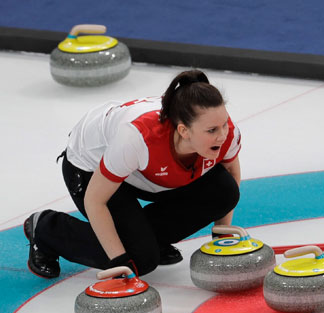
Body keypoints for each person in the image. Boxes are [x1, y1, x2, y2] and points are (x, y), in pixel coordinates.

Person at [24, 69, 242, 278]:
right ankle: (47, 229)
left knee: (223, 191)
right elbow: (95, 200)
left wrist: (222, 236)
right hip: (90, 167)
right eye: (212, 130)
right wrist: (120, 260)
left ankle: (148, 240)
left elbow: (230, 175)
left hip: (143, 171)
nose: (222, 135)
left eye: (224, 125)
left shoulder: (225, 132)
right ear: (184, 131)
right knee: (141, 259)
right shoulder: (138, 138)